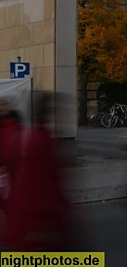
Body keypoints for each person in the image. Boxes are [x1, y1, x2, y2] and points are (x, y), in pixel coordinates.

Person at [0, 92, 73, 251]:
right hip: (38, 221)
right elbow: (40, 183)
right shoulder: (38, 140)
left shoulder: (36, 135)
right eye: (56, 112)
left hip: (39, 219)